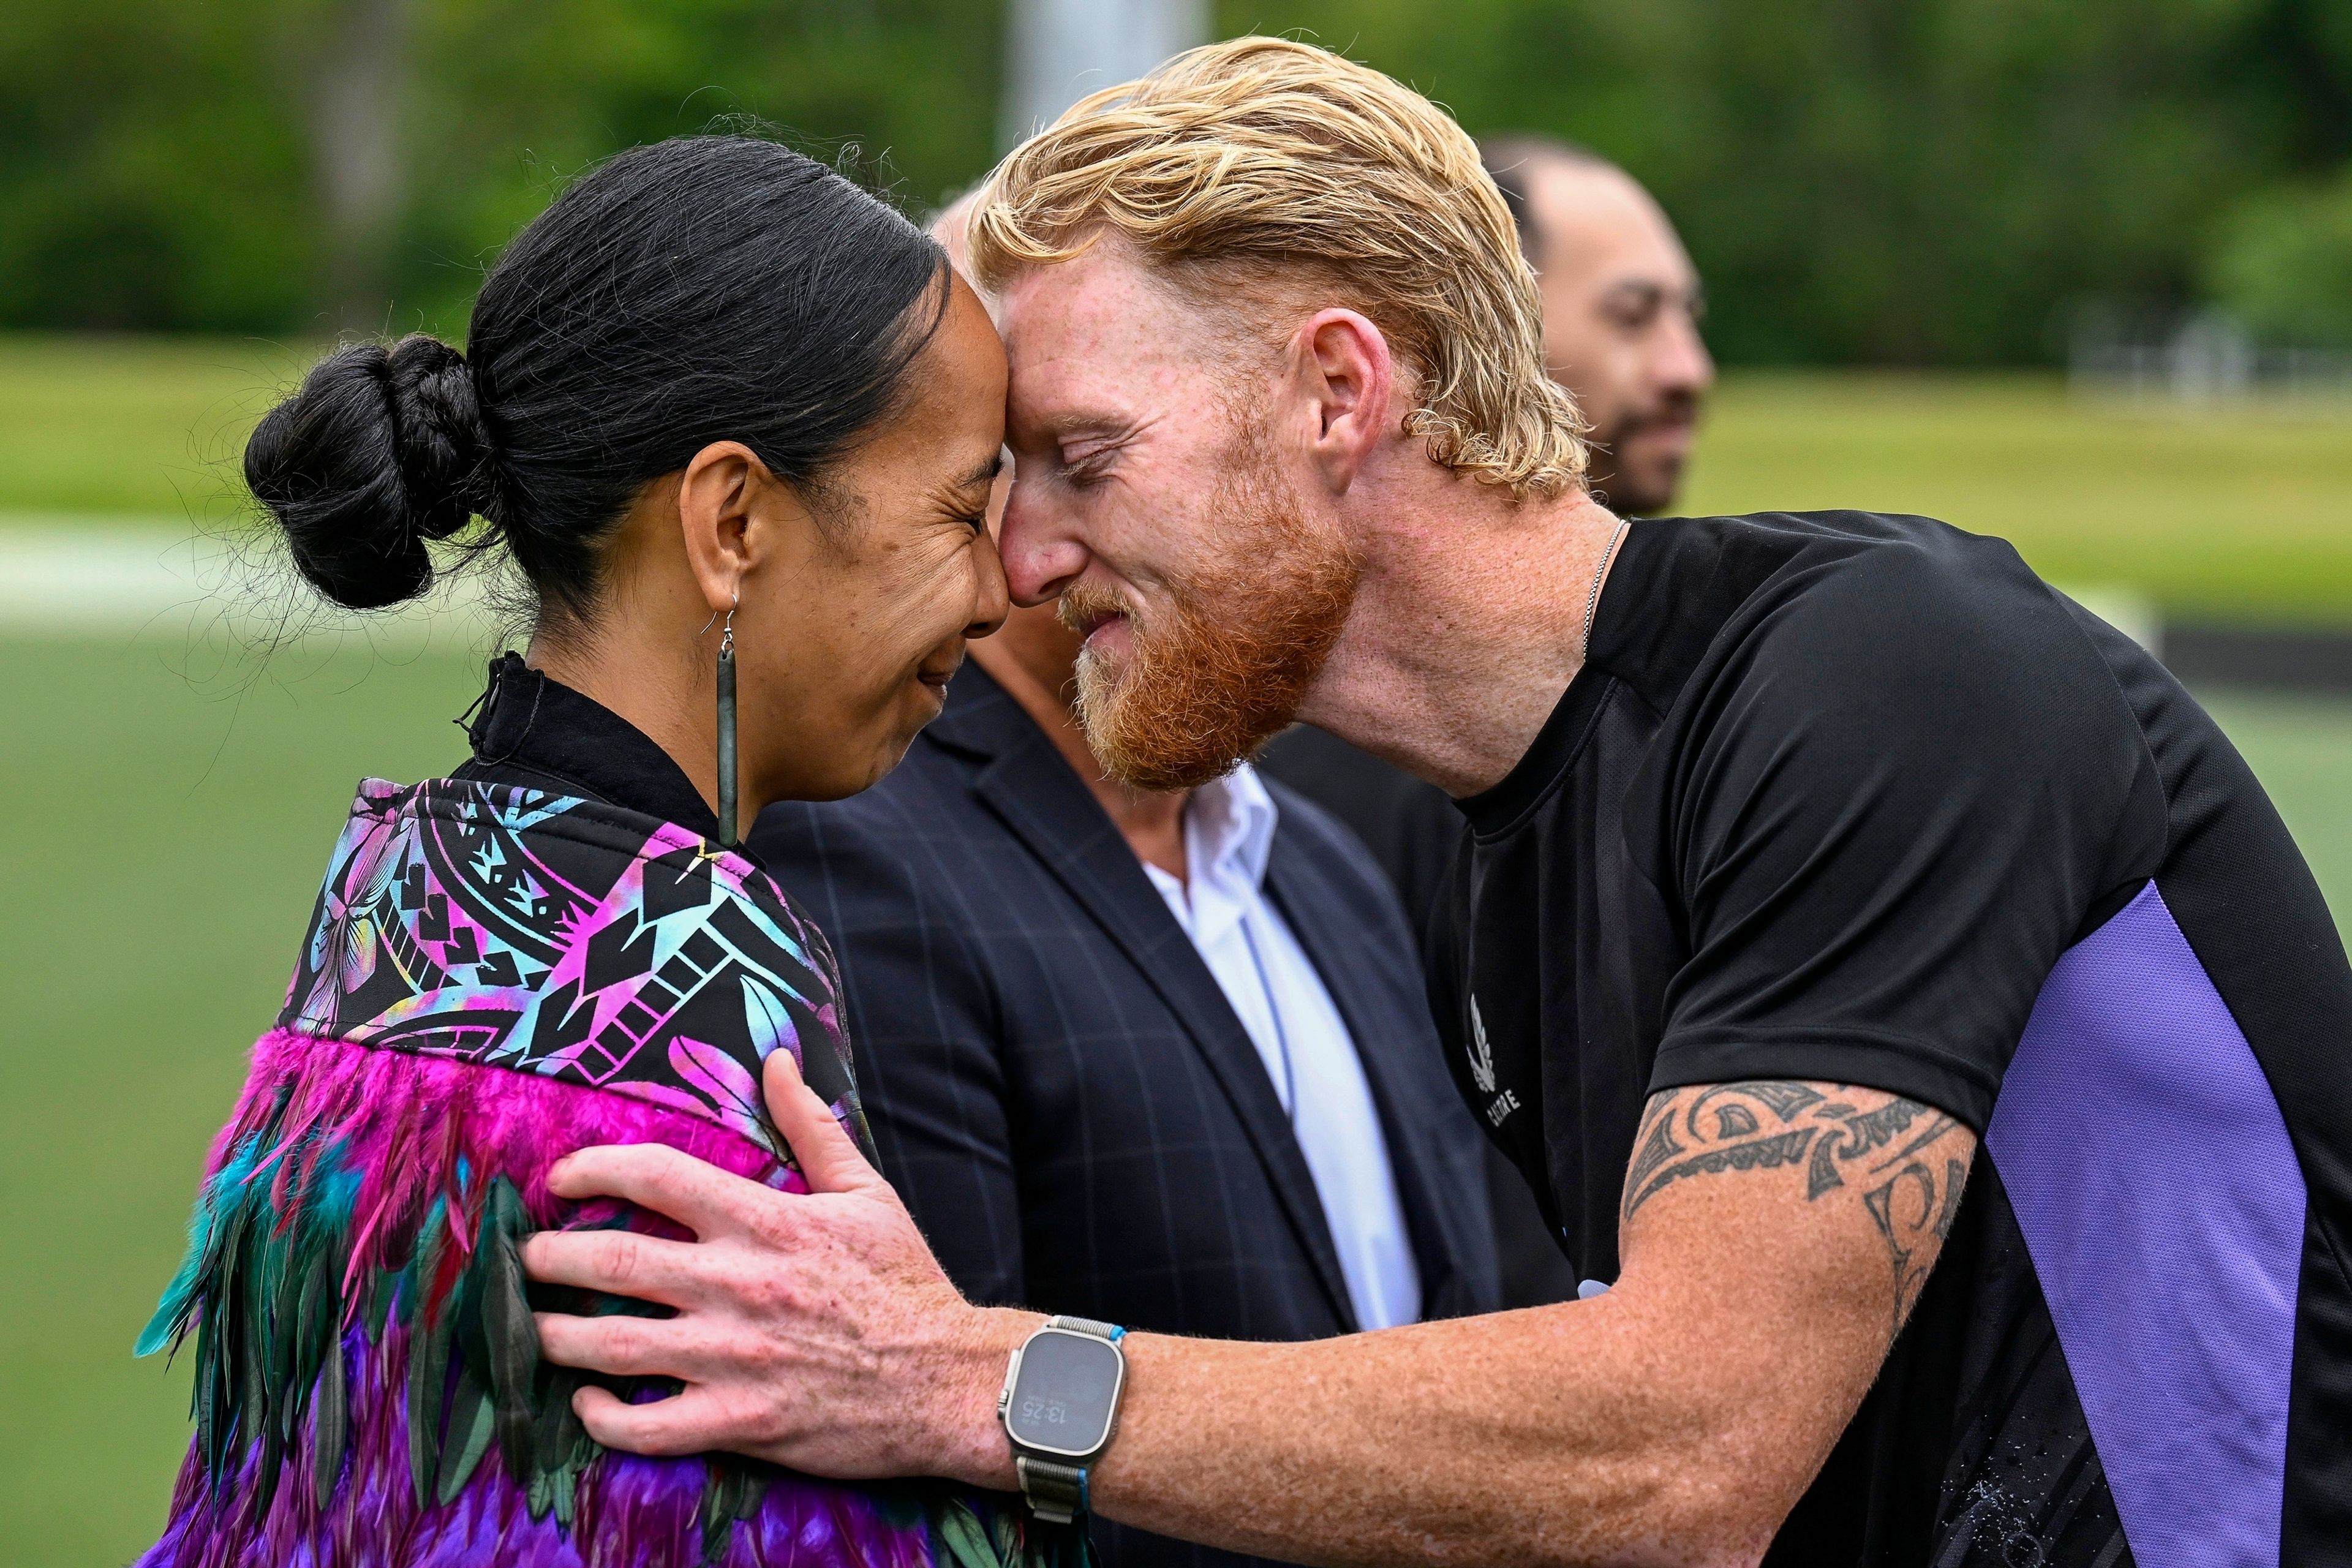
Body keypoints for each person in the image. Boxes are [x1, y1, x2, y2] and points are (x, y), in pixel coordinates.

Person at [522, 39, 2352, 1568]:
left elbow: (1682, 1448)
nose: (1017, 559)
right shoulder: (1494, 864)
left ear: (1336, 389)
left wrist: (960, 1377)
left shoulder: (1889, 674)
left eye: (1082, 460)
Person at [134, 137, 1077, 1567]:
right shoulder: (695, 986)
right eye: (961, 506)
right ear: (733, 521)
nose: (1004, 588)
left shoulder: (395, 897)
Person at [1257, 133, 1718, 1306]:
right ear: (1481, 324)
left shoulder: (1694, 695)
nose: (1687, 368)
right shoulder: (1371, 740)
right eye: (1632, 315)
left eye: (1689, 316)